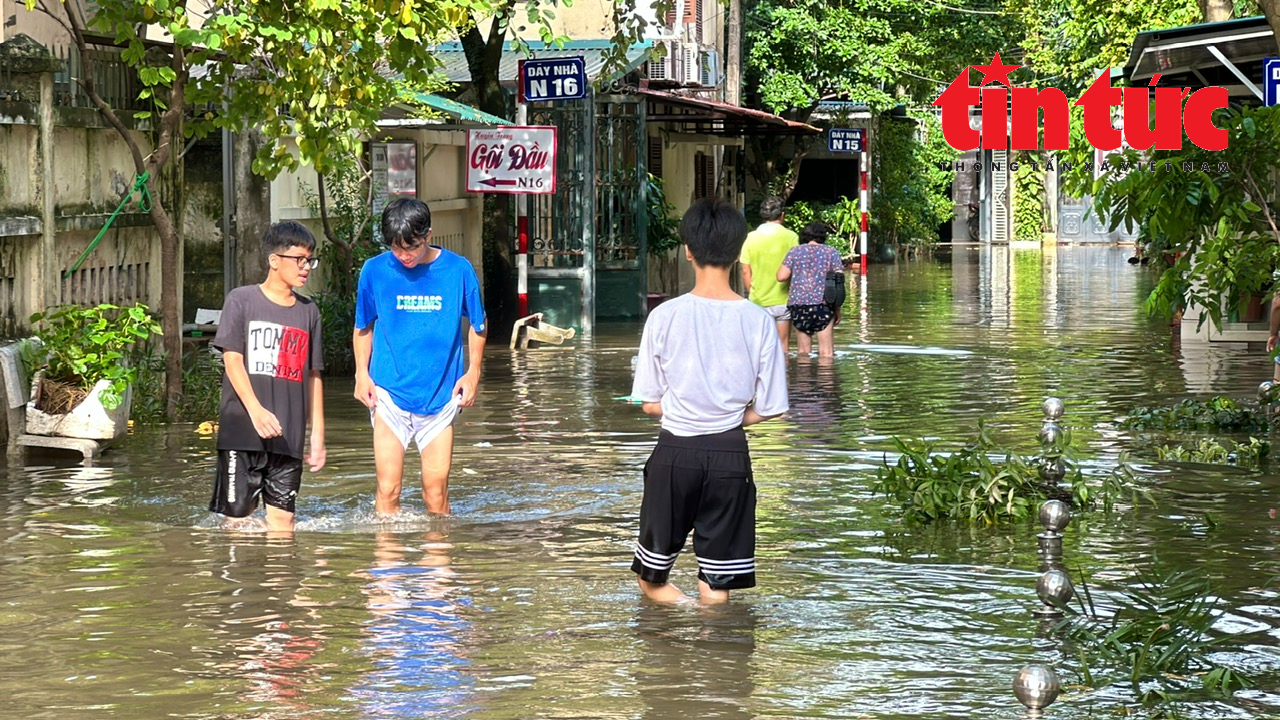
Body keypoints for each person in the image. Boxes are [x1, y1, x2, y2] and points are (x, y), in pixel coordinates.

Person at [630, 197, 790, 605]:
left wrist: (688, 409)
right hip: (730, 457)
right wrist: (730, 416)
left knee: (651, 578)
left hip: (674, 455)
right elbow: (773, 406)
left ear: (687, 250)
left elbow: (648, 401)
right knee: (717, 585)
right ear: (738, 253)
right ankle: (716, 652)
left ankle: (685, 620)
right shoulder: (758, 321)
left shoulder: (664, 316)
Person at [354, 197, 487, 517]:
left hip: (440, 397)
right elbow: (362, 327)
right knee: (388, 489)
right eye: (396, 249)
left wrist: (473, 373)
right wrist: (361, 373)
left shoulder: (458, 270)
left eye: (410, 248)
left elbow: (478, 327)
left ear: (428, 234)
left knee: (436, 492)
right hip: (389, 393)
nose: (403, 256)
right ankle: (388, 564)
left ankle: (439, 562)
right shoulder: (374, 271)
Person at [209, 221, 326, 533]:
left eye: (310, 260)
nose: (306, 268)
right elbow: (232, 359)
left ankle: (280, 582)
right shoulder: (241, 300)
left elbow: (313, 375)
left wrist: (317, 435)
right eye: (299, 260)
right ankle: (241, 583)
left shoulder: (309, 311)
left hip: (288, 437)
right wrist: (256, 411)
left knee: (283, 525)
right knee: (237, 524)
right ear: (275, 260)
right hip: (241, 432)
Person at [778, 221, 845, 358]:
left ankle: (804, 379)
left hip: (799, 305)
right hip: (824, 305)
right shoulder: (831, 252)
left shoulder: (795, 252)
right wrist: (837, 309)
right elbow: (839, 281)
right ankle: (826, 378)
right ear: (822, 236)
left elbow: (781, 276)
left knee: (803, 352)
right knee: (826, 353)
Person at [739, 196, 798, 349]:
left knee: (758, 347)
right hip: (783, 301)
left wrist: (752, 292)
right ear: (782, 215)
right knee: (782, 346)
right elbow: (796, 269)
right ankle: (784, 372)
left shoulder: (751, 238)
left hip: (757, 301)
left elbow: (745, 270)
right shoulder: (791, 237)